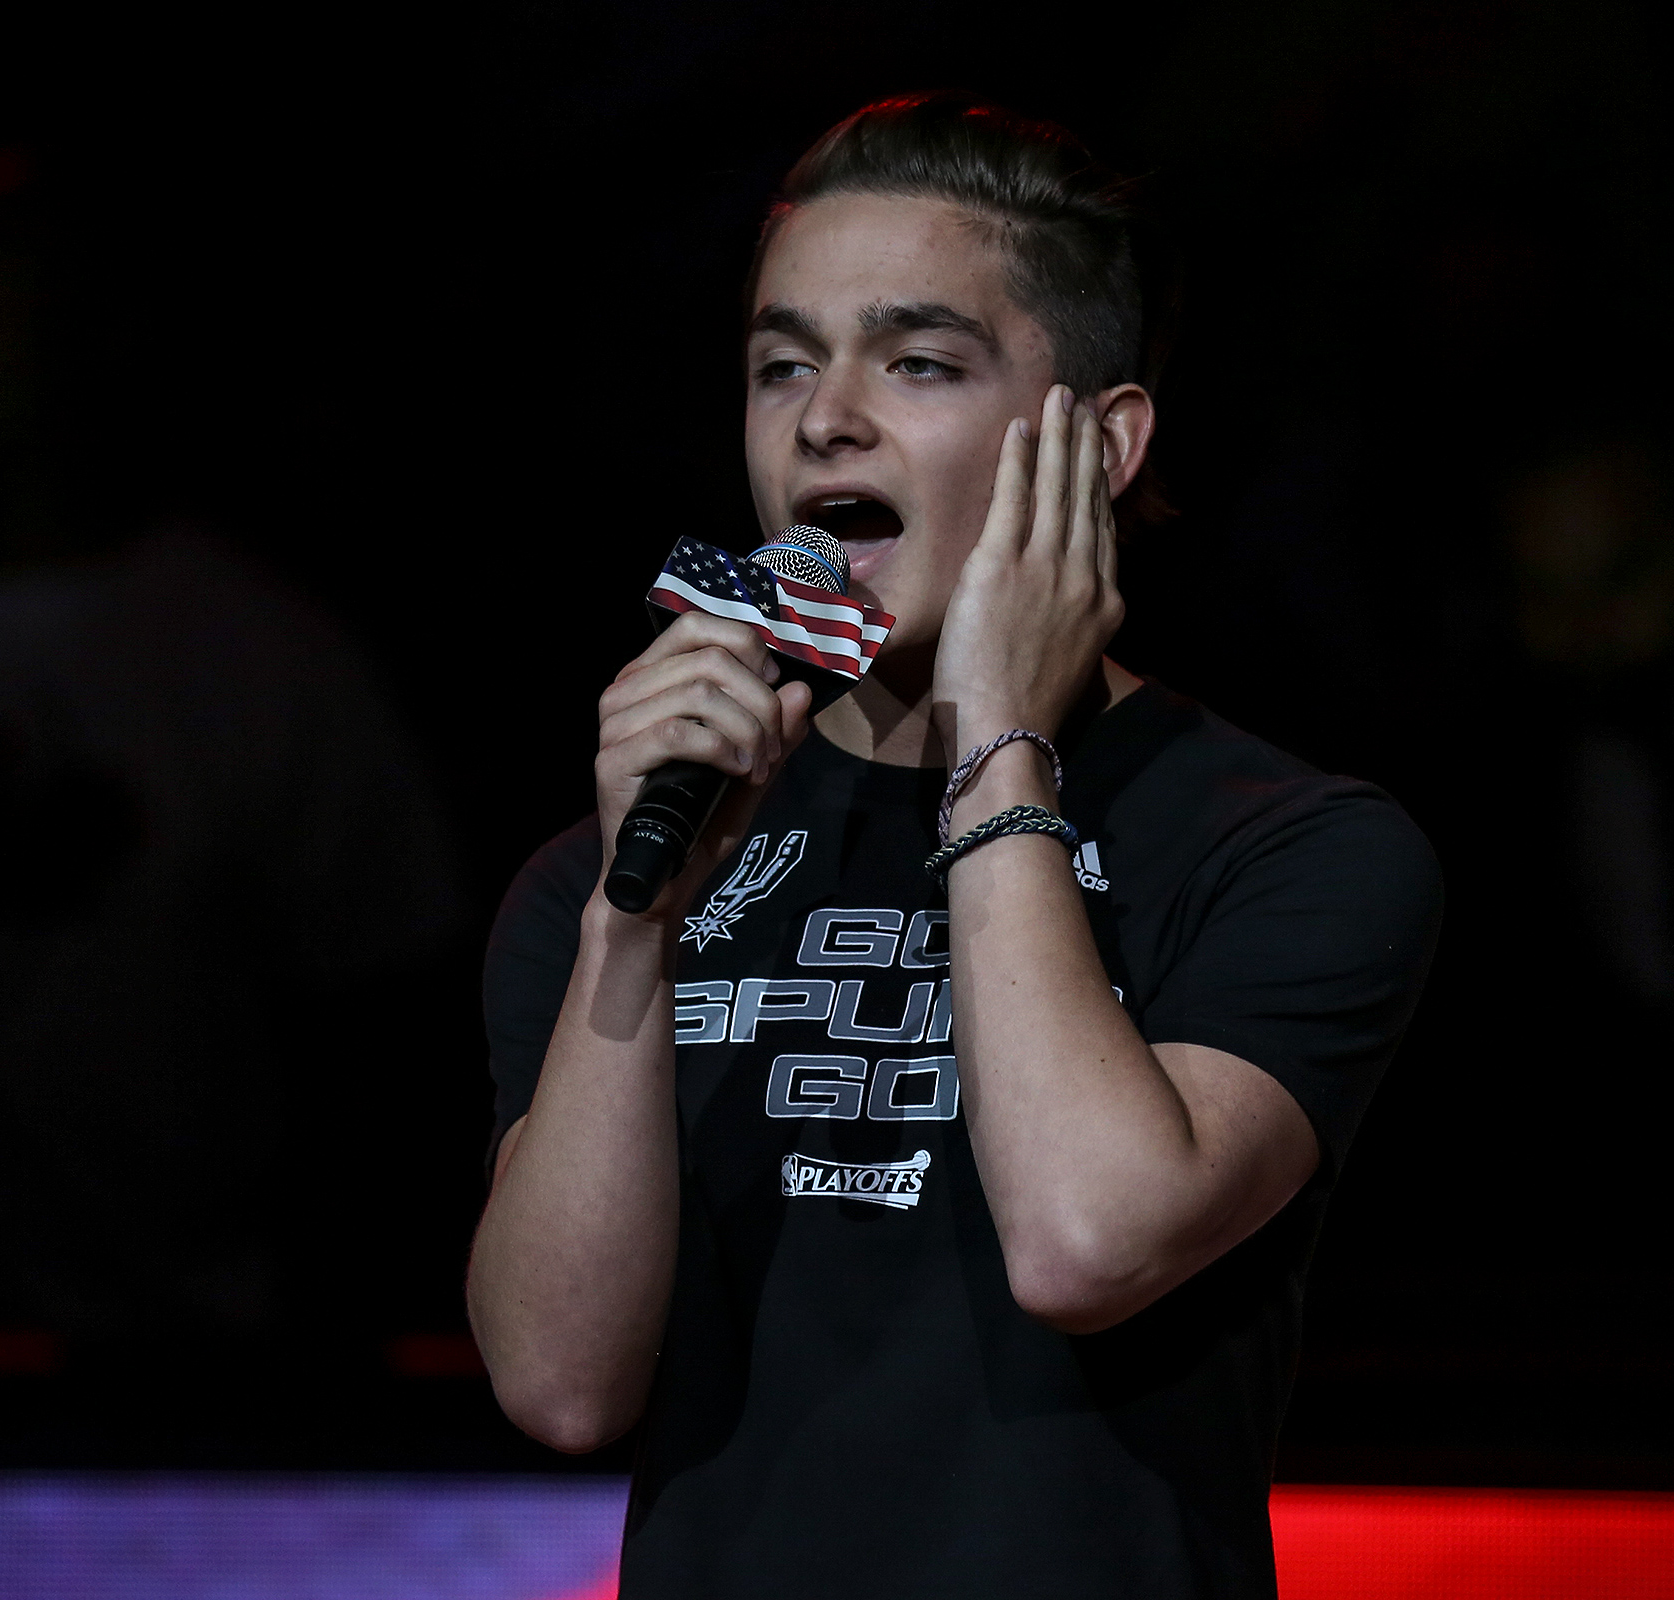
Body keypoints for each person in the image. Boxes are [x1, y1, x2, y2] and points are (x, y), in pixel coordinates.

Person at [465, 92, 1443, 1596]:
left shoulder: (1288, 848)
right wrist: (631, 922)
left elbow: (1086, 1242)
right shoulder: (612, 872)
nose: (825, 418)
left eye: (918, 361)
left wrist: (999, 744)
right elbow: (560, 1382)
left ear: (1101, 445)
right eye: (783, 364)